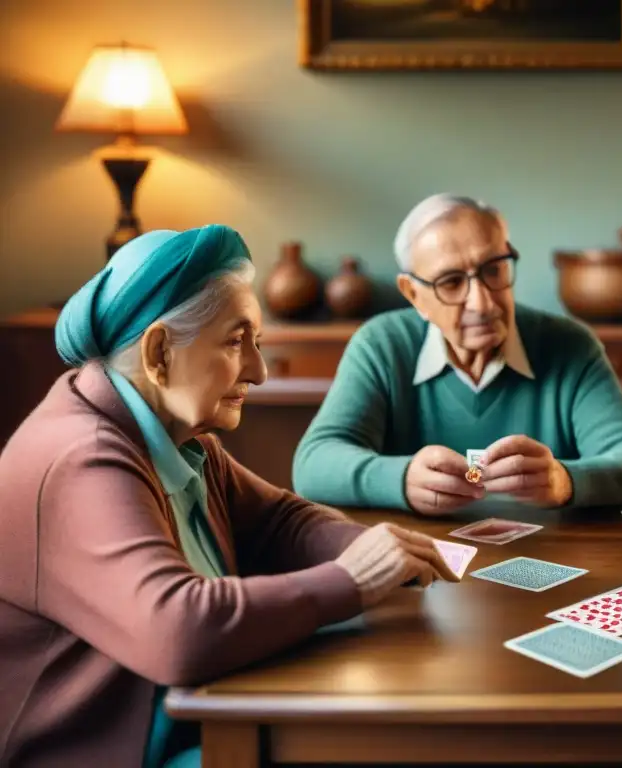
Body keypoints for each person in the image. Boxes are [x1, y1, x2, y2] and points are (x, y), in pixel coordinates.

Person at [0, 225, 458, 768]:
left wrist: (384, 554)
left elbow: (279, 522)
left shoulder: (176, 437)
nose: (259, 372)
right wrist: (353, 580)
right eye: (237, 341)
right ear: (159, 352)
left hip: (189, 718)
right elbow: (179, 631)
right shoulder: (83, 457)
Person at [292, 193, 622, 515]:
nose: (483, 301)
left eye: (494, 270)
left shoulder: (569, 344)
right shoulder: (381, 345)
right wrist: (401, 479)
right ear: (413, 295)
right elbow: (312, 465)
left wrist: (565, 481)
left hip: (558, 568)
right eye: (452, 282)